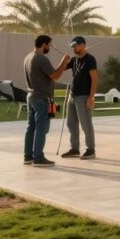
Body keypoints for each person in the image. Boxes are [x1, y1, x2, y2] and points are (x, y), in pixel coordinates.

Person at [23, 34, 71, 167]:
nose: (50, 47)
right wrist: (64, 61)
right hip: (41, 98)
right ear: (44, 45)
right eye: (49, 45)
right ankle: (38, 158)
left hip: (31, 96)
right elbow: (55, 76)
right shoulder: (41, 59)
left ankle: (28, 156)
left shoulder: (28, 57)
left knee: (31, 127)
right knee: (41, 128)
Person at [61, 36, 98, 160]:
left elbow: (94, 79)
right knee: (71, 123)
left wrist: (91, 97)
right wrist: (64, 60)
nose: (73, 48)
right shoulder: (74, 59)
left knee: (86, 124)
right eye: (72, 46)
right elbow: (62, 69)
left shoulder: (90, 59)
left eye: (75, 46)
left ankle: (91, 149)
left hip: (83, 96)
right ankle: (75, 149)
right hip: (72, 96)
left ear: (83, 45)